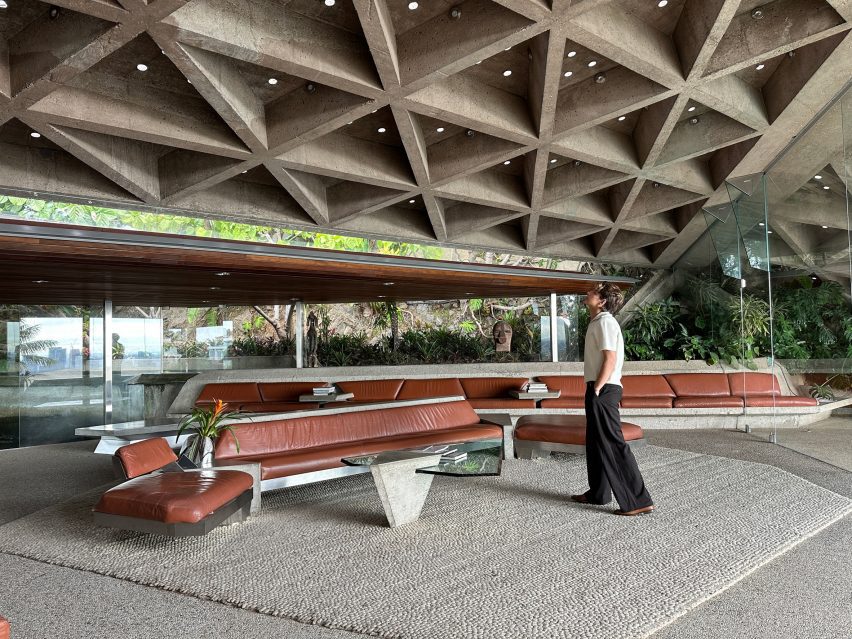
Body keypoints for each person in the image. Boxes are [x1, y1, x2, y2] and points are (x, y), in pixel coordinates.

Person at [571, 283, 654, 516]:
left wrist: (598, 387)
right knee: (596, 442)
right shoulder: (598, 321)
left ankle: (637, 501)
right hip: (600, 387)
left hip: (604, 388)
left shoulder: (605, 322)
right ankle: (598, 493)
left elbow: (610, 358)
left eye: (594, 292)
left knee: (612, 442)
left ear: (602, 301)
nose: (588, 292)